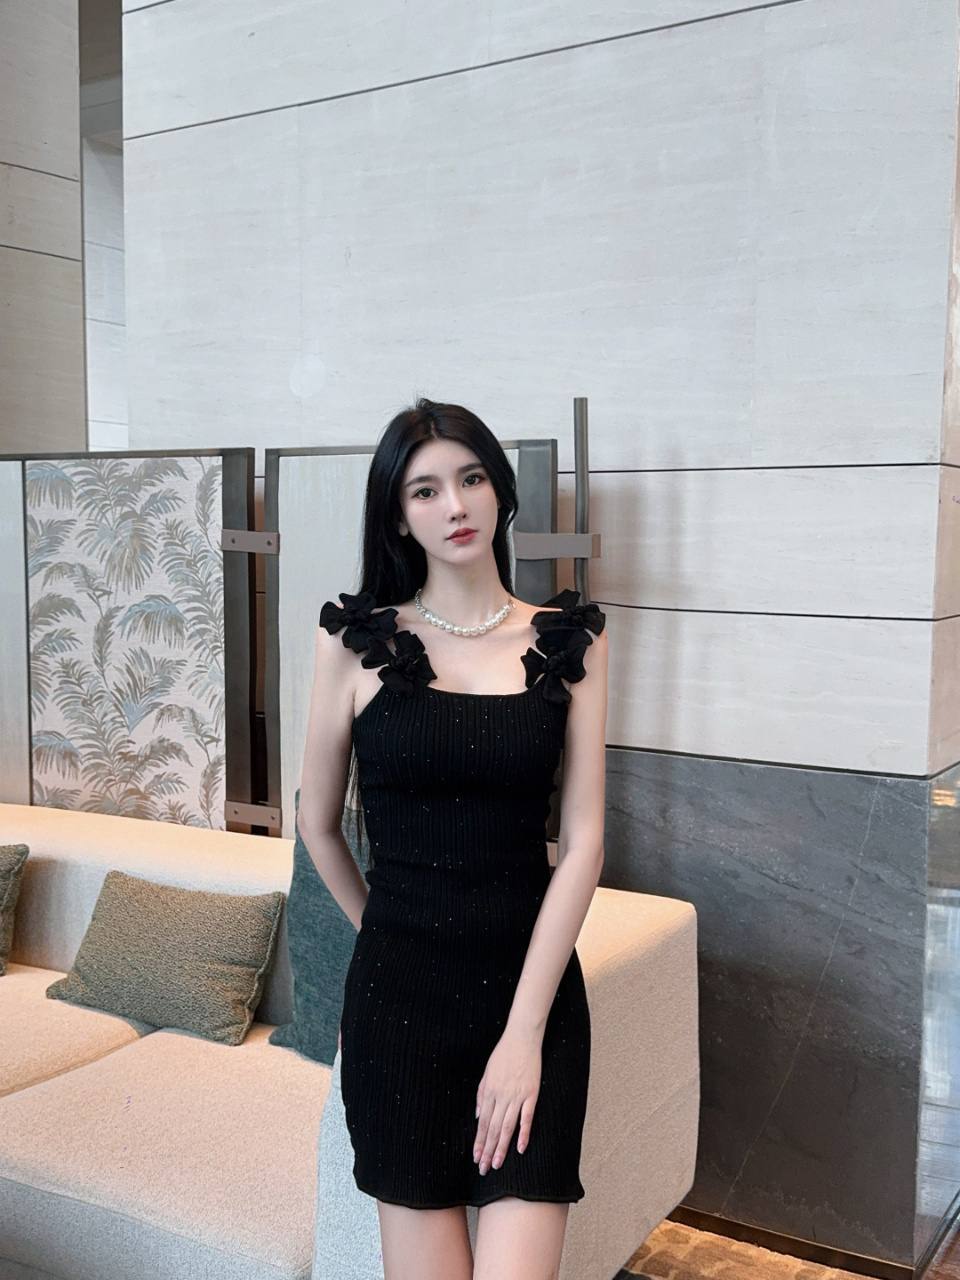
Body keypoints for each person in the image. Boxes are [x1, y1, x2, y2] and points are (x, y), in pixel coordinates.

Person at [297, 397, 608, 1280]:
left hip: (531, 1002)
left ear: (500, 490)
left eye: (471, 479)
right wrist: (385, 933)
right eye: (425, 490)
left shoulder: (571, 642)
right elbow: (316, 822)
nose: (456, 505)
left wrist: (524, 1033)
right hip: (399, 1008)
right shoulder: (355, 645)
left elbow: (584, 841)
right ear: (399, 515)